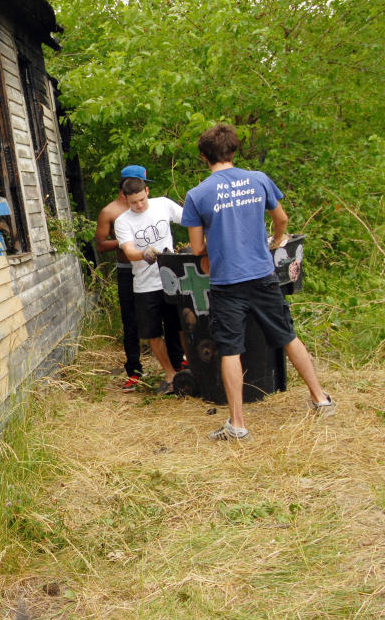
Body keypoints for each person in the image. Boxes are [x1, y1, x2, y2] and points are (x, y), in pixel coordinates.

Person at [181, 124, 335, 441]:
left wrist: (219, 241)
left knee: (231, 350)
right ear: (234, 151)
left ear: (203, 156)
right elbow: (282, 220)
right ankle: (320, 400)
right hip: (263, 276)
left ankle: (237, 425)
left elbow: (196, 249)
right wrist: (275, 242)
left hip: (226, 283)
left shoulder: (197, 195)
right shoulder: (258, 179)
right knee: (288, 336)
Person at [96, 165, 185, 391]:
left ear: (147, 191)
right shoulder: (121, 220)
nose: (139, 205)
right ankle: (168, 375)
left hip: (170, 279)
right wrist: (144, 253)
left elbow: (190, 219)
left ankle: (187, 369)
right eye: (133, 202)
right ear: (125, 197)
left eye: (141, 200)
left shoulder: (163, 204)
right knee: (150, 332)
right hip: (143, 283)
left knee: (179, 326)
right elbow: (128, 251)